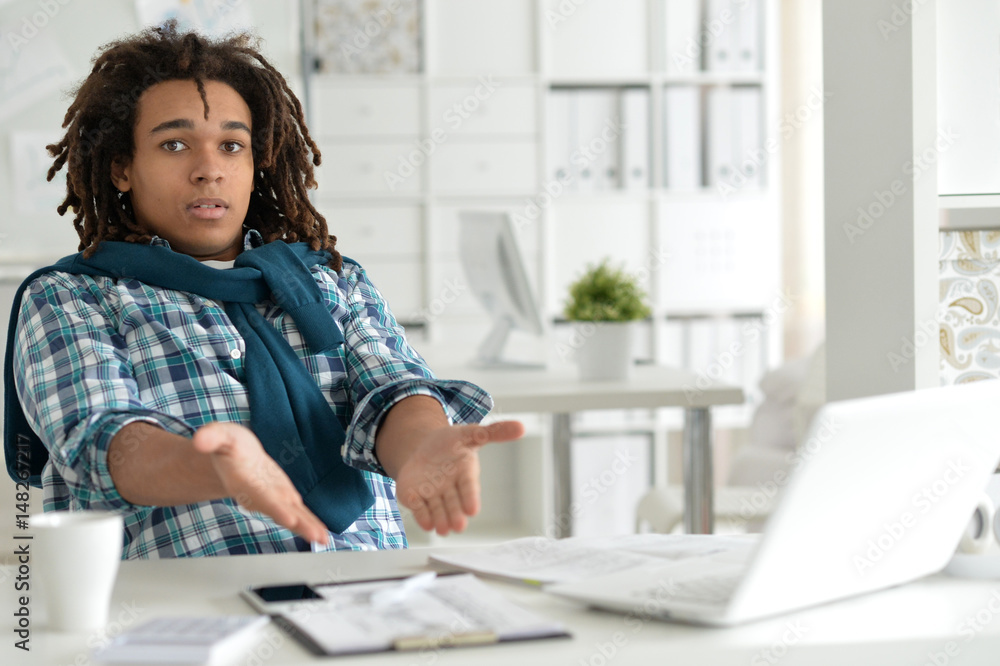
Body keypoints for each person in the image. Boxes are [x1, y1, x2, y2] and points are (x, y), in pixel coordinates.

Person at [4, 23, 523, 558]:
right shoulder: (71, 297)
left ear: (257, 163)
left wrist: (425, 445)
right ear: (122, 168)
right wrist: (215, 468)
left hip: (363, 589)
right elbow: (100, 440)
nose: (209, 170)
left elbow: (392, 390)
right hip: (186, 600)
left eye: (232, 146)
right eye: (174, 144)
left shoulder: (333, 279)